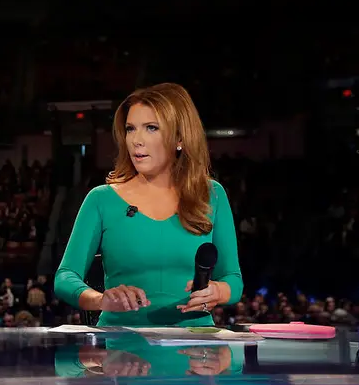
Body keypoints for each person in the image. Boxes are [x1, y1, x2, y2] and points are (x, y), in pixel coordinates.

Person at [54, 83, 242, 327]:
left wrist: (218, 291)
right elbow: (65, 277)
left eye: (151, 128)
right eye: (130, 129)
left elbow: (233, 280)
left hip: (194, 343)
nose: (136, 140)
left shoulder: (211, 195)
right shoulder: (101, 199)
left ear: (180, 138)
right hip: (122, 343)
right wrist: (100, 299)